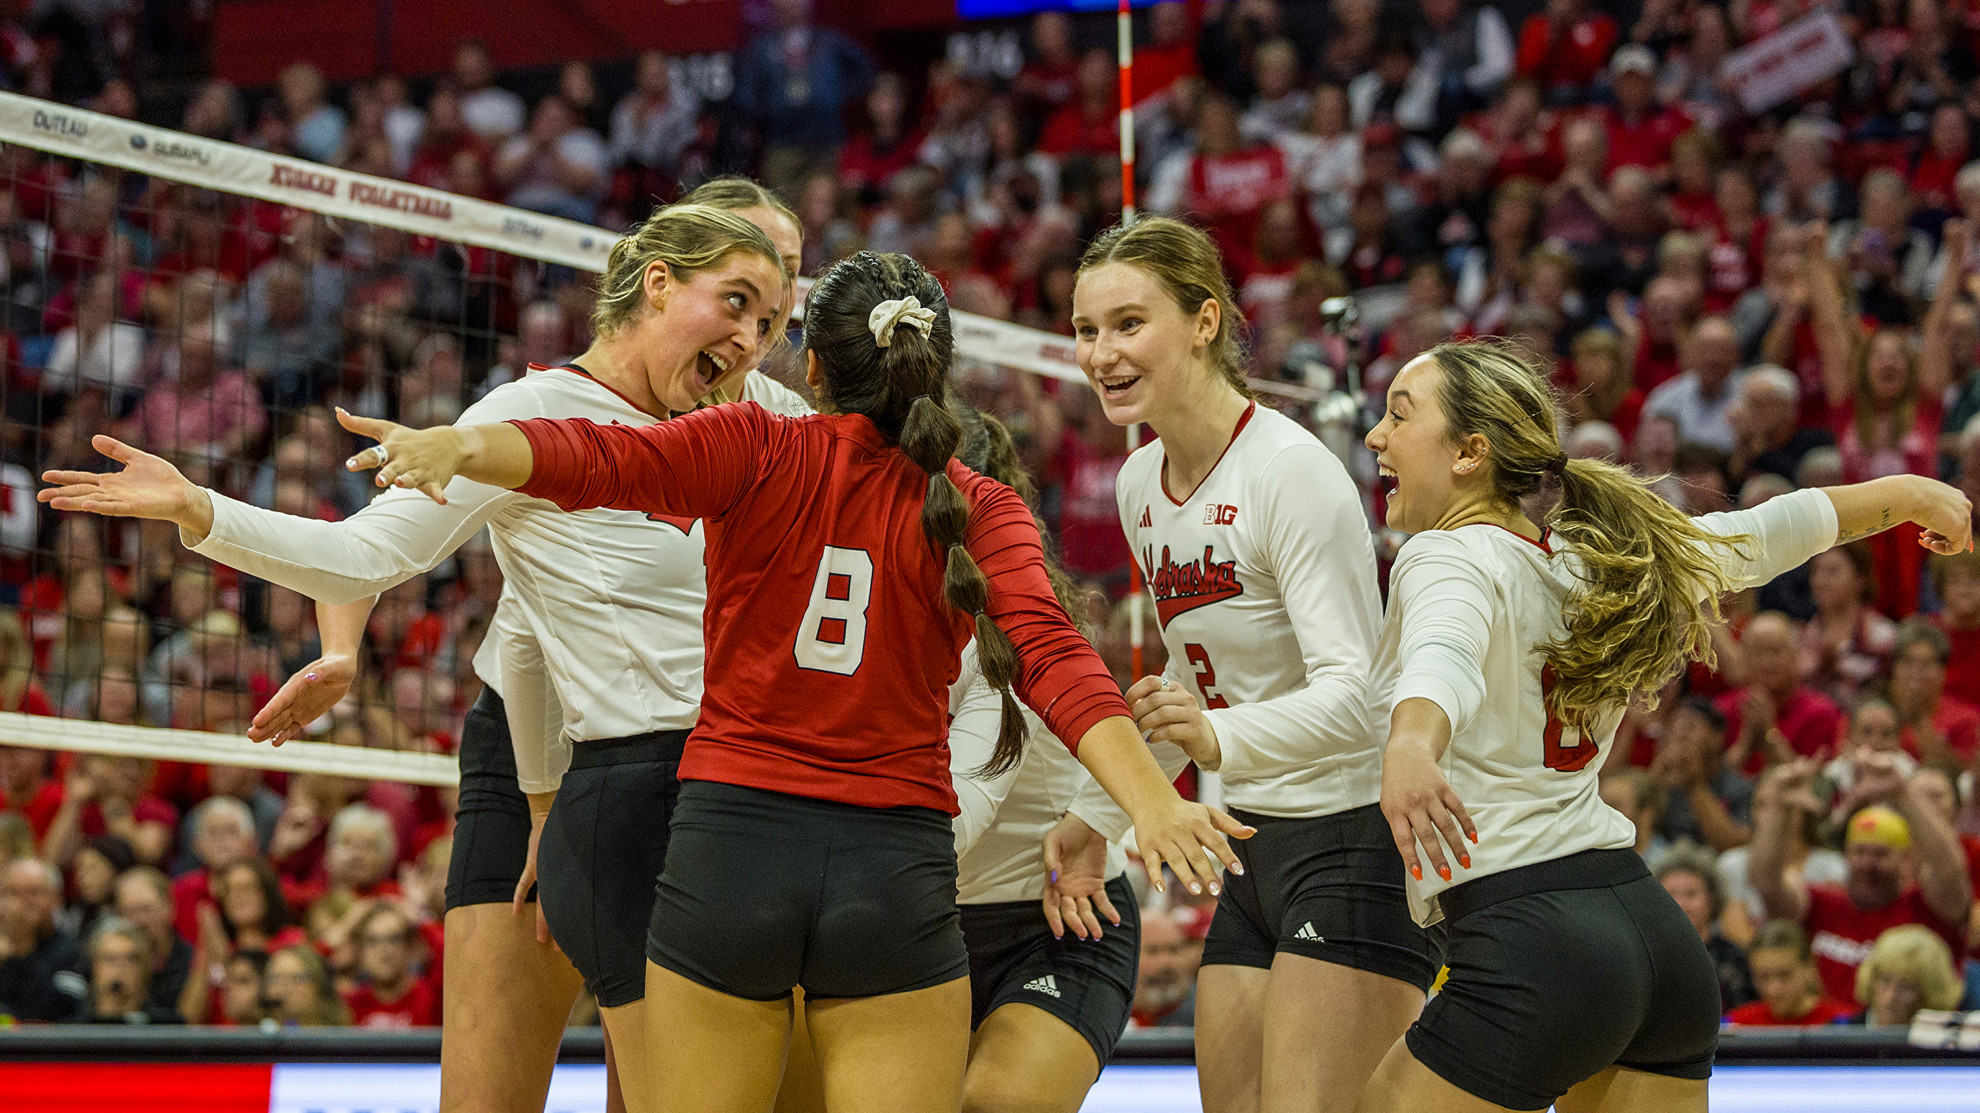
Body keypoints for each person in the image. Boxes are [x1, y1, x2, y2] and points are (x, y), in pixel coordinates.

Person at [328, 248, 1247, 1113]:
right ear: (938, 375)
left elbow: (595, 458)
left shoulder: (754, 442)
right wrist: (1152, 805)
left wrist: (461, 447)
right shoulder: (981, 503)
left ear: (813, 373)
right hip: (893, 867)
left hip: (731, 852)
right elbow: (1055, 657)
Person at [41, 200, 795, 1112]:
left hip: (735, 789)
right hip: (614, 780)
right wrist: (202, 510)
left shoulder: (763, 413)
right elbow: (370, 557)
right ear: (659, 280)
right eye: (740, 303)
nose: (755, 339)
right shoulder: (532, 413)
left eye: (775, 321)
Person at [1359, 337, 1971, 1112]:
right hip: (1651, 938)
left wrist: (1415, 741)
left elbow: (1442, 653)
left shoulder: (1445, 553)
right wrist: (1910, 493)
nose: (1376, 435)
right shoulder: (1604, 562)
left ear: (1471, 452)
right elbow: (1761, 533)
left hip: (1532, 941)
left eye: (1398, 415)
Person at [1053, 215, 1431, 1113]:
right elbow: (1189, 696)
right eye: (1085, 329)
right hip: (1250, 848)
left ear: (1206, 321)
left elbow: (1360, 699)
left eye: (1128, 324)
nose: (1102, 352)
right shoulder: (1143, 480)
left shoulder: (1291, 472)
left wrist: (1214, 735)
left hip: (1350, 845)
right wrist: (1095, 817)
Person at [941, 408, 1143, 1113]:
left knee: (993, 1101)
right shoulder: (863, 601)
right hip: (916, 925)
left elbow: (968, 800)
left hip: (1056, 924)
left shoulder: (1024, 622)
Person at [1751, 759, 1971, 1004]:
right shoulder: (1821, 905)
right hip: (1830, 1037)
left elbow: (1949, 869)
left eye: (1881, 854)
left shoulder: (1928, 908)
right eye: (1859, 852)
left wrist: (1904, 794)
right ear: (1846, 855)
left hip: (1907, 1038)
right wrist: (1778, 805)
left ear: (1905, 860)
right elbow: (1767, 884)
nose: (1868, 864)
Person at [1726, 920, 1855, 1026]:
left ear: (1809, 967)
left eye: (1785, 975)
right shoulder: (1736, 1025)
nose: (1773, 989)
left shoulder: (1845, 1023)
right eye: (1763, 977)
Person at [71, 915, 181, 1024]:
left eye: (131, 959)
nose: (120, 967)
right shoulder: (70, 1033)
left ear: (144, 968)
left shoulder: (167, 1028)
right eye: (110, 959)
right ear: (93, 967)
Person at [1854, 924, 1963, 1027]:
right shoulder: (1841, 1033)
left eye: (1906, 987)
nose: (1890, 997)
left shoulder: (1941, 1043)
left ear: (1928, 994)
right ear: (1871, 979)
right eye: (1885, 981)